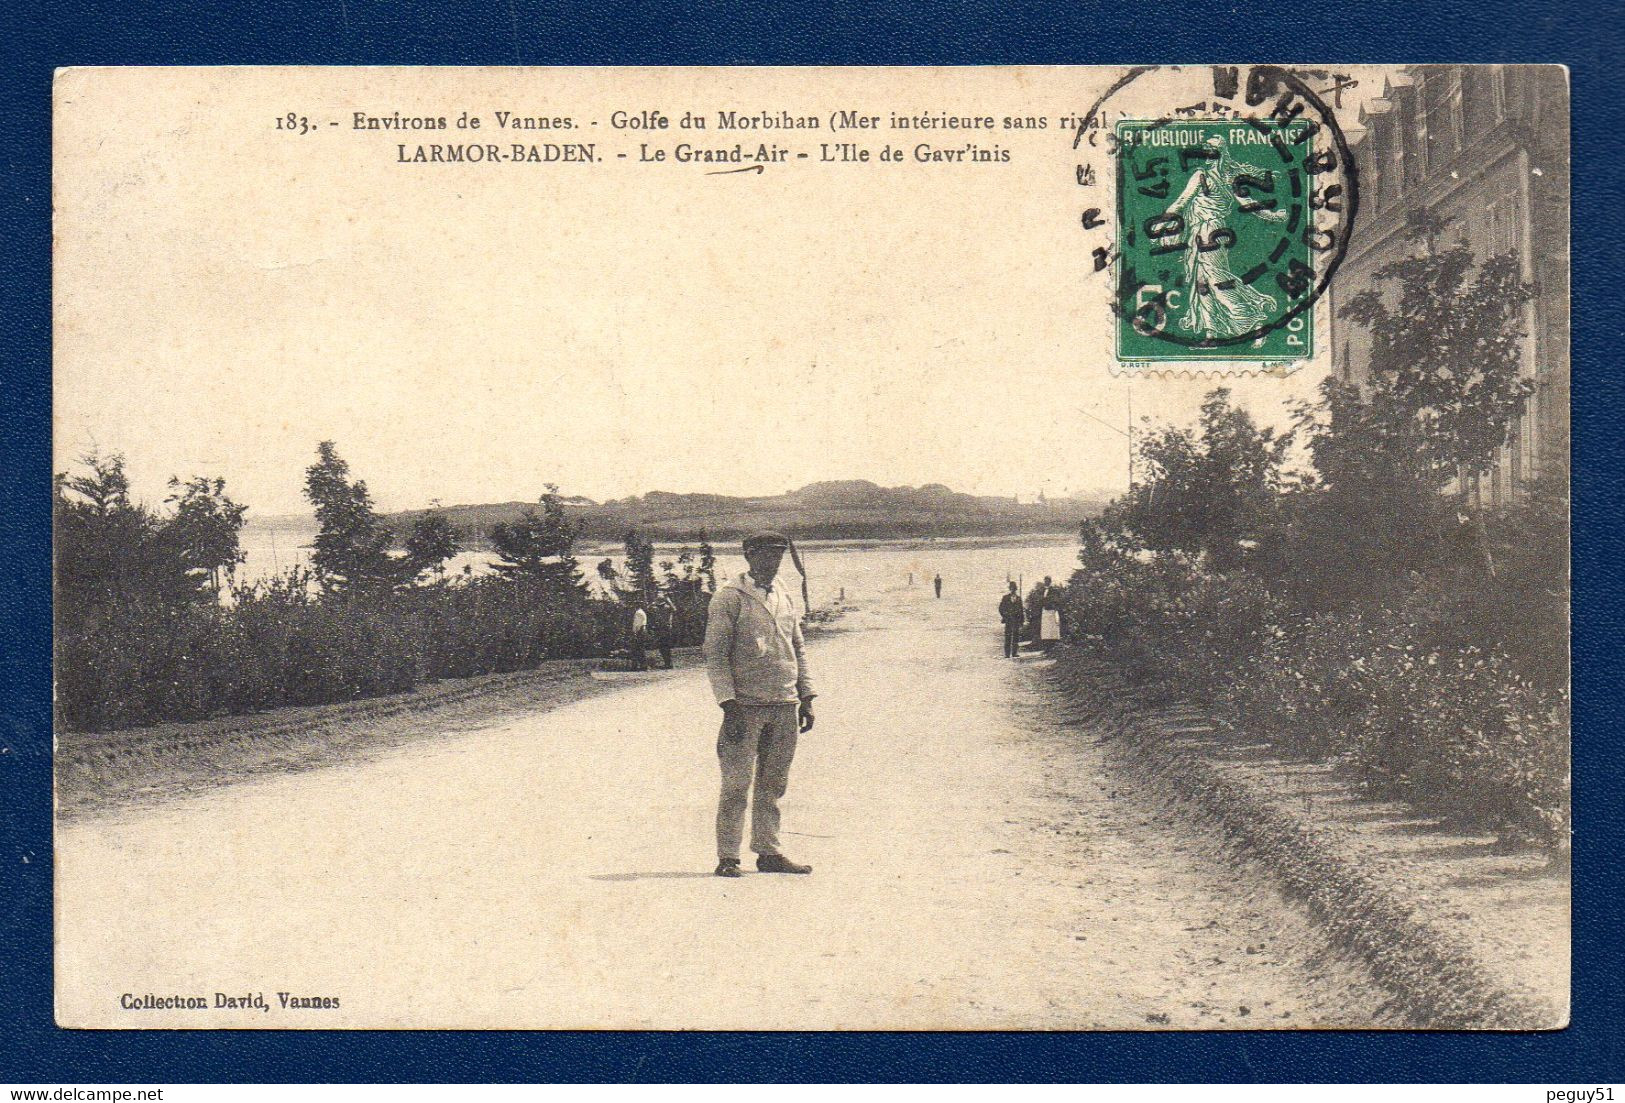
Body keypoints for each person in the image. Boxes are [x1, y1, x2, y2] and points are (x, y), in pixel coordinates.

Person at [702, 531, 817, 878]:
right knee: (736, 785)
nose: (772, 562)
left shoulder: (783, 592)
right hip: (745, 707)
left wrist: (807, 696)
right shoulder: (729, 597)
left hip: (784, 703)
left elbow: (797, 647)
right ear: (748, 556)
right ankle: (728, 857)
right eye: (765, 555)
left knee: (773, 784)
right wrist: (729, 705)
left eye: (778, 556)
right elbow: (715, 655)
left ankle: (769, 852)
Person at [649, 593, 677, 670]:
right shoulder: (667, 607)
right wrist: (669, 600)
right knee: (665, 647)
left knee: (663, 647)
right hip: (664, 629)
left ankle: (668, 663)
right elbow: (674, 609)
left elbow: (648, 608)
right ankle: (668, 663)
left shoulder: (657, 609)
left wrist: (653, 602)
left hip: (662, 629)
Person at [998, 581, 1025, 659]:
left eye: (1014, 588)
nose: (1013, 590)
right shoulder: (1005, 598)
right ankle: (1007, 654)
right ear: (1010, 589)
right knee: (1008, 636)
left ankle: (1014, 653)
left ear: (1016, 589)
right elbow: (1001, 608)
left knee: (1016, 636)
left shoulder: (1019, 598)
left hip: (1016, 620)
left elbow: (1021, 610)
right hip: (1008, 619)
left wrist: (1021, 621)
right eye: (1011, 588)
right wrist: (1005, 615)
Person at [628, 602, 651, 671]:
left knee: (638, 649)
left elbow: (636, 624)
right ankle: (641, 666)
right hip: (641, 631)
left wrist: (634, 633)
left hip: (640, 631)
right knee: (639, 649)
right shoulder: (641, 612)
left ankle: (641, 666)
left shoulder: (638, 613)